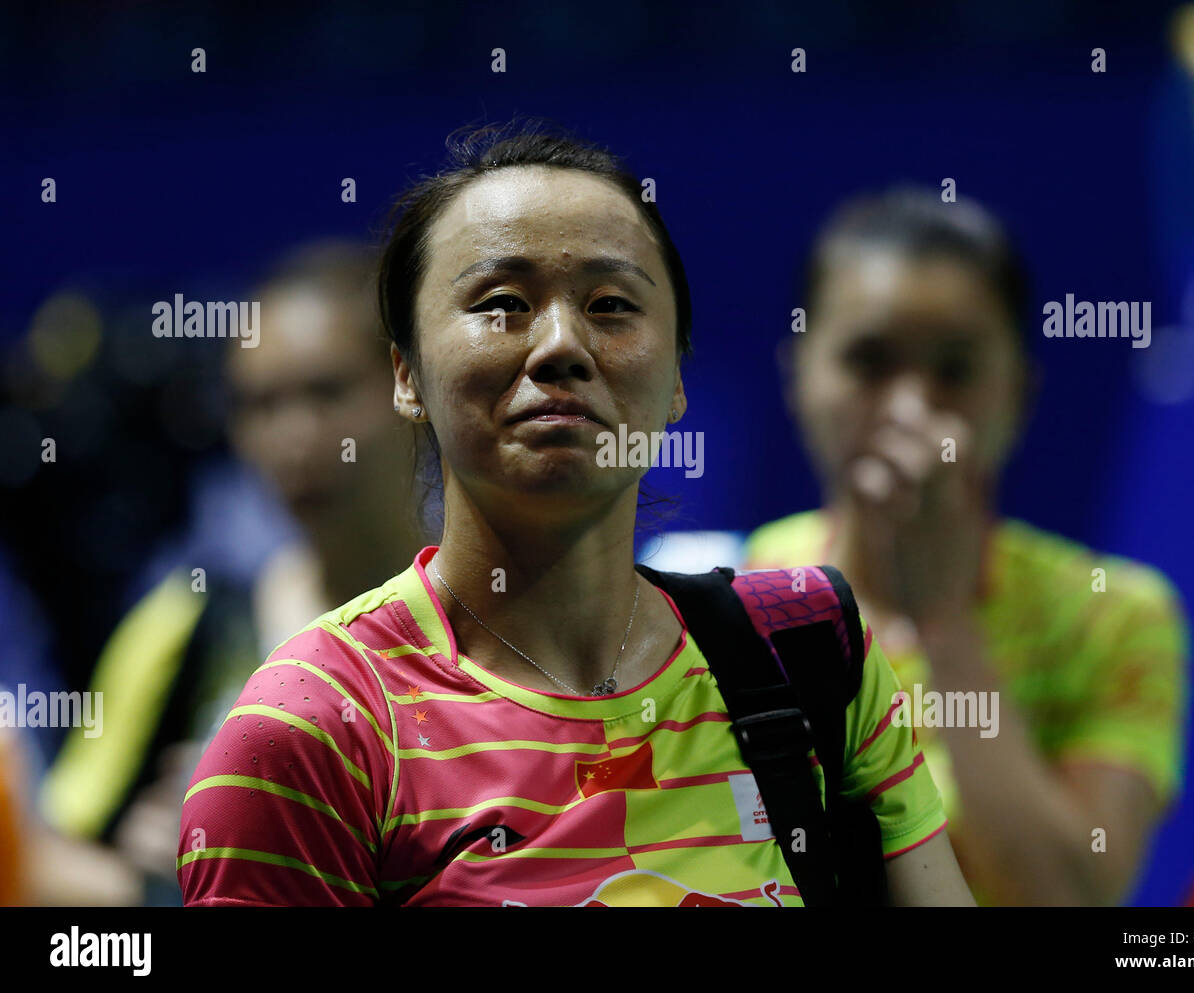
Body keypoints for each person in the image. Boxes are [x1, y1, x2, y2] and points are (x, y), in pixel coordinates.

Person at [177, 122, 974, 907]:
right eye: (501, 303)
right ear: (406, 374)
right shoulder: (309, 726)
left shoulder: (809, 649)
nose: (561, 343)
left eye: (611, 304)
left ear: (675, 384)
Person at [745, 188, 1190, 905]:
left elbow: (1068, 896)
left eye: (955, 370)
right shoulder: (732, 597)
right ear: (799, 376)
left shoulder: (1118, 616)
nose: (912, 408)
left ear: (1020, 390)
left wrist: (946, 619)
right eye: (869, 361)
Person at [39, 243, 420, 904]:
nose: (293, 437)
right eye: (259, 405)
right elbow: (47, 860)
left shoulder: (504, 615)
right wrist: (155, 877)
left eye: (326, 391)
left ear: (409, 385)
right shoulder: (188, 624)